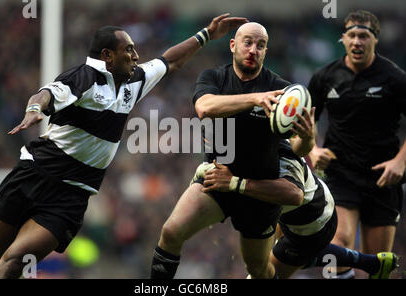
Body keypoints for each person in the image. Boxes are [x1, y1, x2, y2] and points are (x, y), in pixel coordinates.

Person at [0, 13, 249, 279]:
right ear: (107, 56)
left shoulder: (133, 82)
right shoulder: (83, 78)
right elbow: (45, 94)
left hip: (71, 196)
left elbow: (169, 62)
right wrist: (34, 109)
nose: (136, 56)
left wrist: (206, 35)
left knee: (17, 258)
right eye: (129, 50)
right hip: (34, 175)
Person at [150, 22, 290, 279]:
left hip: (258, 191)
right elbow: (205, 107)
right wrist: (255, 98)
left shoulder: (281, 89)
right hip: (217, 179)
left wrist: (307, 136)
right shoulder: (213, 77)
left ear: (266, 52)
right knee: (171, 232)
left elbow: (295, 146)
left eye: (260, 45)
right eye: (247, 42)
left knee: (258, 269)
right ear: (233, 45)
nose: (253, 50)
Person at [200, 138, 398, 279]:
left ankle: (371, 263)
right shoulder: (253, 142)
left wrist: (236, 185)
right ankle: (372, 263)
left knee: (264, 273)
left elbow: (293, 194)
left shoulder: (265, 156)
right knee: (290, 259)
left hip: (313, 221)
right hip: (303, 212)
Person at [307, 10, 406, 279]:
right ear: (343, 39)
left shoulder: (394, 78)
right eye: (351, 35)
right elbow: (304, 122)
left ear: (375, 40)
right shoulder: (325, 77)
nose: (357, 41)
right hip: (341, 174)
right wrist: (313, 149)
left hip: (382, 178)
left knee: (378, 264)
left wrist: (401, 160)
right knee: (339, 243)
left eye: (364, 35)